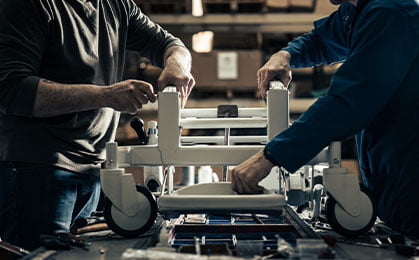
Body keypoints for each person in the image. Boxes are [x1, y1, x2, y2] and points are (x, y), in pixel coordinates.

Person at [0, 0, 194, 250]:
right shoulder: (29, 6)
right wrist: (106, 95)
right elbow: (12, 90)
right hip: (37, 169)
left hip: (92, 171)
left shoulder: (116, 5)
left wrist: (176, 64)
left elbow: (170, 44)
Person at [231, 0, 419, 237]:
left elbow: (348, 103)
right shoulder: (359, 10)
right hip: (391, 174)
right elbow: (322, 40)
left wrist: (269, 156)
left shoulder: (390, 13)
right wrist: (285, 54)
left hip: (410, 174)